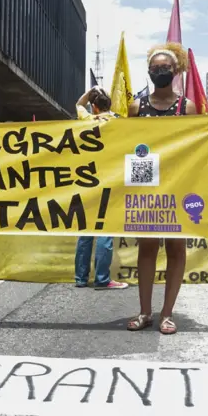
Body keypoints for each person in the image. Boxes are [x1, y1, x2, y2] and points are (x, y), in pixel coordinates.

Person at [126, 43, 208, 334]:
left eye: (165, 68)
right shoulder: (137, 107)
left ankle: (166, 313)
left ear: (176, 71)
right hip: (146, 186)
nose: (160, 72)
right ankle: (145, 311)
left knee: (175, 247)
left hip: (179, 184)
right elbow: (123, 146)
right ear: (149, 72)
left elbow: (198, 142)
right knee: (146, 247)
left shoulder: (188, 107)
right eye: (155, 68)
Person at [73, 87, 128, 290]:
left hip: (87, 180)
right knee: (105, 228)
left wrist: (90, 91)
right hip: (111, 178)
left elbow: (79, 104)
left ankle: (80, 278)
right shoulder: (119, 121)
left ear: (94, 107)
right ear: (109, 105)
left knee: (86, 230)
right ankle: (102, 278)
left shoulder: (87, 119)